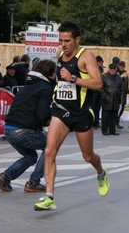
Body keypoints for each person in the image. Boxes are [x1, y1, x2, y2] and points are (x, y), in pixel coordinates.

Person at [34, 20, 110, 211]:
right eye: (61, 40)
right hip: (60, 110)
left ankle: (101, 173)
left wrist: (73, 78)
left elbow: (98, 83)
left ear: (77, 39)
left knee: (88, 156)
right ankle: (49, 196)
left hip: (81, 113)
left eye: (67, 41)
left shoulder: (86, 56)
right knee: (49, 151)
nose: (63, 45)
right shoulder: (59, 54)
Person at [0, 60, 56, 193]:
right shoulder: (45, 88)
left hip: (9, 129)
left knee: (30, 157)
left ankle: (5, 176)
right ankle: (33, 182)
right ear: (51, 74)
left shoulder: (28, 86)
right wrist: (54, 115)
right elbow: (42, 114)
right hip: (23, 130)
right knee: (50, 147)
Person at [99, 63, 123, 136]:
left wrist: (121, 100)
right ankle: (104, 130)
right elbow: (100, 88)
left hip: (115, 99)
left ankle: (112, 130)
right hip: (107, 99)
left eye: (114, 69)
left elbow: (121, 89)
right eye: (111, 69)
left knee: (114, 116)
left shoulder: (118, 77)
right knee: (105, 116)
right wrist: (105, 96)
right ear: (109, 69)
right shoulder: (104, 77)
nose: (112, 70)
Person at [116, 60, 129, 129]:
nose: (121, 67)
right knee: (118, 108)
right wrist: (122, 76)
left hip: (124, 93)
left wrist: (128, 90)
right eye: (120, 65)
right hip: (119, 93)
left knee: (122, 108)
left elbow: (127, 83)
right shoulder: (117, 73)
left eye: (123, 66)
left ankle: (117, 122)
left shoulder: (126, 73)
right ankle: (115, 122)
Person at [92, 55, 104, 129]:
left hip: (99, 91)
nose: (101, 63)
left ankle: (96, 122)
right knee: (93, 108)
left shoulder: (101, 69)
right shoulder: (93, 69)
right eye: (100, 62)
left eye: (102, 62)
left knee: (97, 108)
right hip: (93, 91)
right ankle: (92, 122)